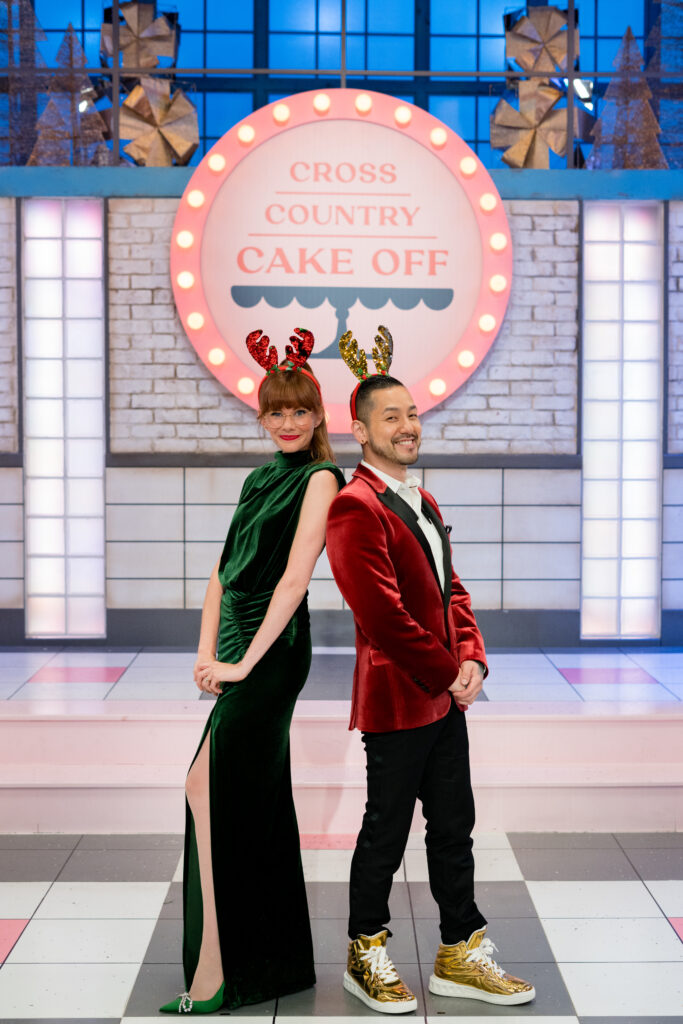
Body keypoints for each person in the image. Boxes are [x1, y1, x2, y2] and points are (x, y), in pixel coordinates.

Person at [325, 326, 535, 1014]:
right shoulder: (353, 507)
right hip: (398, 699)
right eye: (392, 417)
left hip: (445, 697)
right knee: (384, 830)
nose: (409, 425)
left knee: (453, 827)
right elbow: (380, 616)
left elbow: (453, 593)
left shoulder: (423, 500)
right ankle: (364, 952)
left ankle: (458, 951)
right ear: (361, 431)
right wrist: (447, 672)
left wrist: (471, 656)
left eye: (412, 413)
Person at [160, 328, 345, 1015]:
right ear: (261, 415)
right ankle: (268, 961)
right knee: (234, 797)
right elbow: (219, 573)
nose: (288, 422)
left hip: (273, 649)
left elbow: (295, 580)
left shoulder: (322, 477)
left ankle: (218, 969)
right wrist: (205, 653)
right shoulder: (257, 476)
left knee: (206, 785)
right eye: (276, 411)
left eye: (300, 410)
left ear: (318, 416)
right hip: (235, 642)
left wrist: (243, 661)